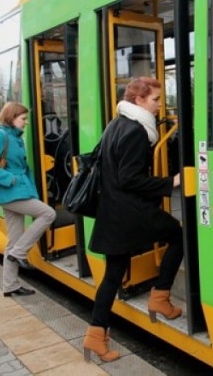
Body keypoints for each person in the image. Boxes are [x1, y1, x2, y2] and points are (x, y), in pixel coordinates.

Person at [83, 77, 183, 363]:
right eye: (155, 101)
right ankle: (160, 297)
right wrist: (170, 182)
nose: (159, 107)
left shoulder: (115, 124)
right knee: (178, 235)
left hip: (114, 212)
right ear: (139, 100)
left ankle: (95, 336)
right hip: (131, 213)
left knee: (113, 275)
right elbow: (130, 178)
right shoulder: (137, 131)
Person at [0, 102, 56, 297]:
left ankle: (10, 285)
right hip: (11, 191)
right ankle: (19, 254)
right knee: (48, 213)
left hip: (16, 190)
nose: (26, 122)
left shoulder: (13, 136)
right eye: (23, 118)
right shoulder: (0, 135)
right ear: (11, 118)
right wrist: (9, 179)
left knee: (13, 239)